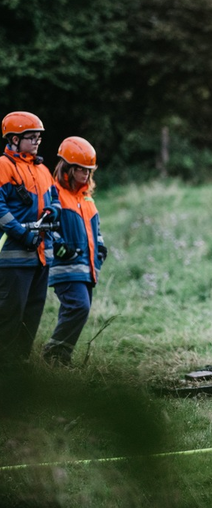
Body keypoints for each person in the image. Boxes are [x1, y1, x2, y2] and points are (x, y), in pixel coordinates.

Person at [0, 111, 61, 362]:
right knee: (10, 314)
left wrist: (51, 211)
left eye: (38, 138)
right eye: (31, 137)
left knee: (32, 313)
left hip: (41, 256)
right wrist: (23, 234)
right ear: (14, 140)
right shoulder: (4, 165)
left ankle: (20, 365)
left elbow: (56, 199)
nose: (37, 142)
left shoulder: (42, 169)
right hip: (14, 257)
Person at [42, 137, 107, 365]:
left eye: (90, 171)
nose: (87, 176)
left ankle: (60, 357)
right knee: (79, 306)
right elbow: (48, 227)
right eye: (82, 171)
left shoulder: (86, 198)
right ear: (68, 169)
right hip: (66, 267)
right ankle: (54, 352)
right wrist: (60, 247)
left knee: (77, 309)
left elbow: (95, 229)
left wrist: (100, 249)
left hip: (87, 267)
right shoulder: (55, 193)